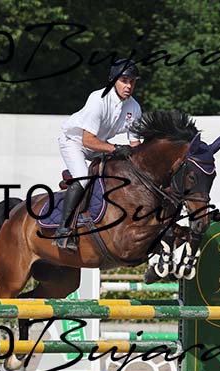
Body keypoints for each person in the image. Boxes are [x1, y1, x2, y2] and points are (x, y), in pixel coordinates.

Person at [52, 59, 142, 251]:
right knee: (83, 178)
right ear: (113, 81)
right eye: (124, 81)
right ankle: (62, 230)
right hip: (75, 142)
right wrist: (116, 148)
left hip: (99, 145)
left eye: (132, 81)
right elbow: (87, 140)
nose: (129, 86)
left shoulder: (134, 107)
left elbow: (136, 145)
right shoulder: (98, 99)